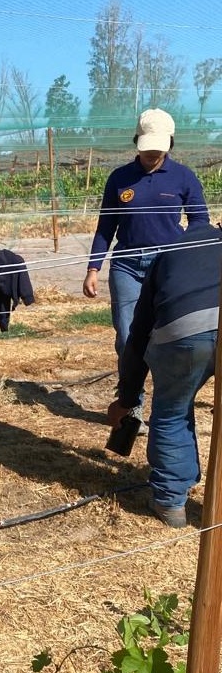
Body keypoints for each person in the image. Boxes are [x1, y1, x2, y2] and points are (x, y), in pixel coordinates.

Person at [83, 108, 208, 420]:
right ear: (137, 141)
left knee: (171, 335)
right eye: (146, 146)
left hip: (168, 268)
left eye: (158, 147)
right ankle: (132, 405)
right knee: (127, 336)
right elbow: (105, 227)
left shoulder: (184, 178)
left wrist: (192, 262)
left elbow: (200, 224)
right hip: (126, 265)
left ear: (169, 144)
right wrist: (93, 268)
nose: (152, 153)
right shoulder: (120, 178)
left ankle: (171, 404)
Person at [108, 219, 222, 528]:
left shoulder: (171, 251)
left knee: (172, 410)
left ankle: (170, 502)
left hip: (183, 332)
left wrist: (128, 398)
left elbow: (139, 333)